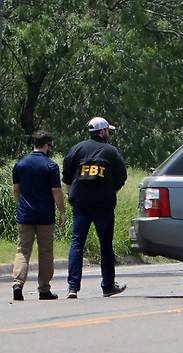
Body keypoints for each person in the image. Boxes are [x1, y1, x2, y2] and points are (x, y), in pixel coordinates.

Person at [62, 117, 128, 298]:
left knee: (77, 243)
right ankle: (108, 286)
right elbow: (122, 176)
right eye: (107, 130)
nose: (108, 133)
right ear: (101, 132)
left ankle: (72, 287)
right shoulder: (111, 151)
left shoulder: (76, 149)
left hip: (80, 204)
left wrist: (70, 194)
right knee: (105, 244)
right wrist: (110, 188)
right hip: (103, 205)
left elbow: (67, 176)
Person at [11, 131, 66, 301]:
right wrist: (62, 211)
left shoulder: (20, 164)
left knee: (22, 250)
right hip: (45, 215)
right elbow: (56, 191)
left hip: (25, 215)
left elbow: (16, 189)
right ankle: (44, 289)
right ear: (47, 145)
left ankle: (18, 283)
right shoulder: (50, 166)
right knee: (45, 252)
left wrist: (21, 204)